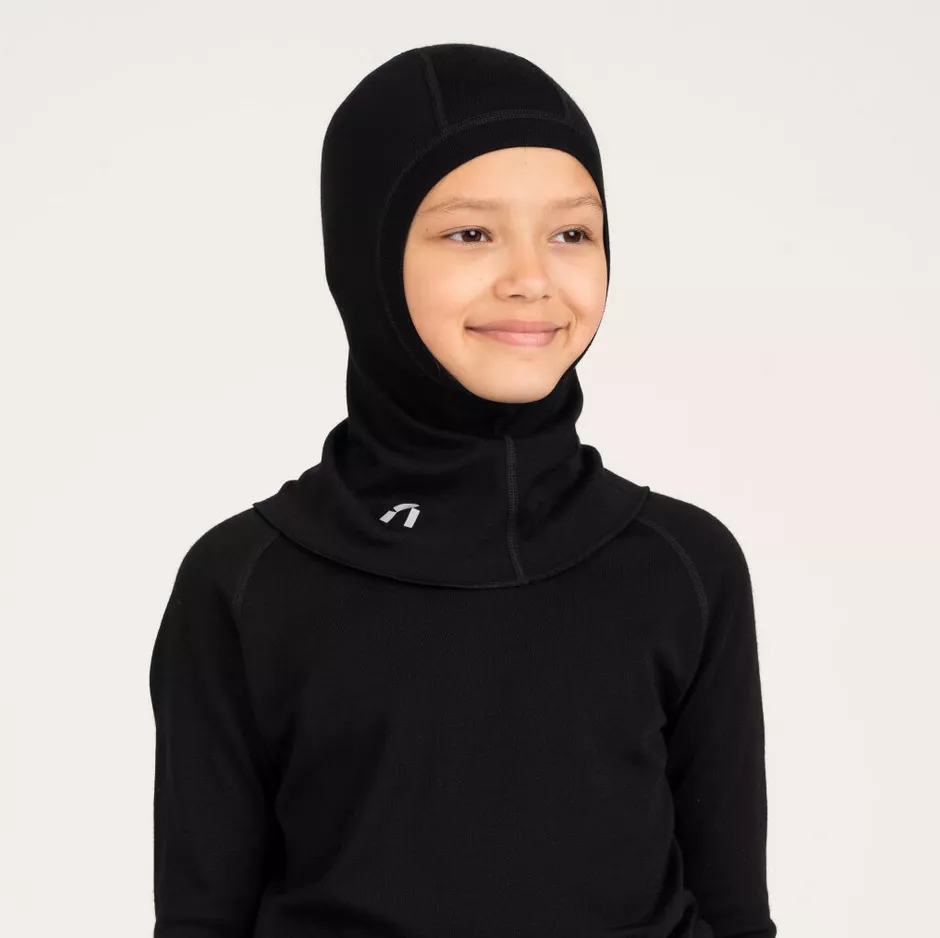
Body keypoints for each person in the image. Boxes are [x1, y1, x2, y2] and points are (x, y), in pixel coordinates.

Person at [149, 42, 777, 938]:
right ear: (366, 253)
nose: (531, 278)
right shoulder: (246, 584)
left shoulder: (685, 566)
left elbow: (735, 912)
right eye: (471, 233)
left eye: (572, 233)